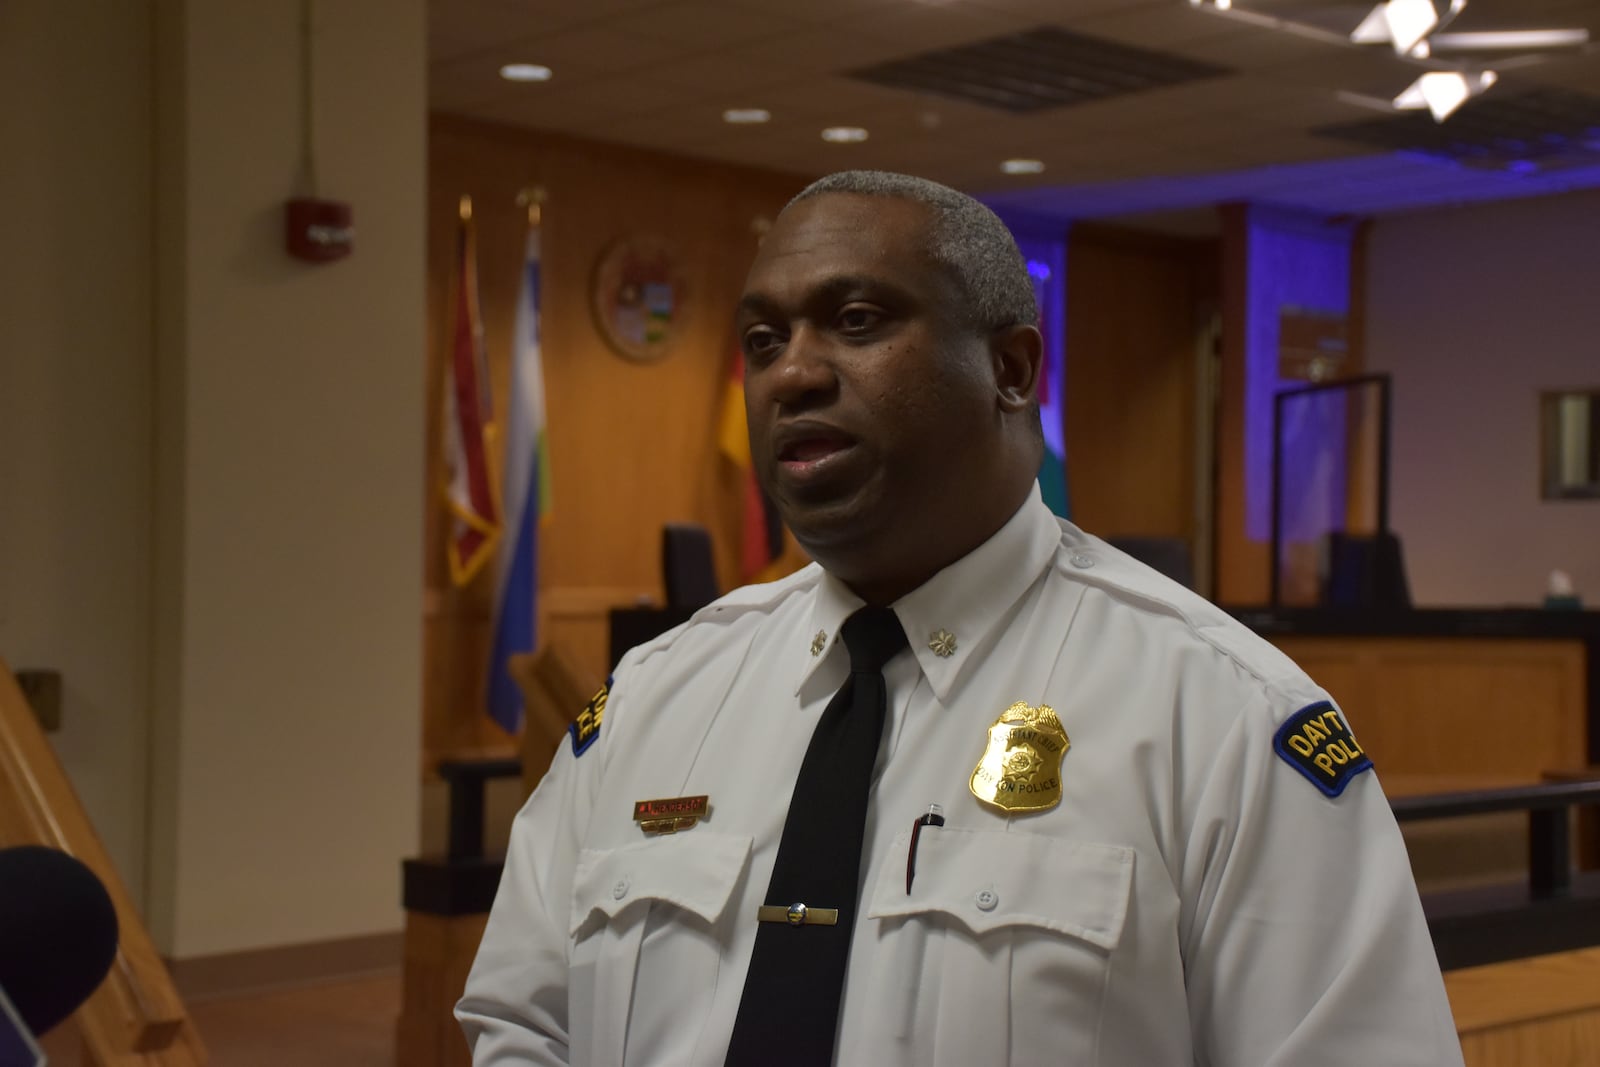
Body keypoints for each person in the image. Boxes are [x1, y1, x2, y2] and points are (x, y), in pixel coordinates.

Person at [457, 171, 1463, 1065]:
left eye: (856, 320)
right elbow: (523, 1021)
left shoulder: (1225, 717)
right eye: (764, 340)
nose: (793, 373)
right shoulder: (653, 699)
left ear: (1014, 370)